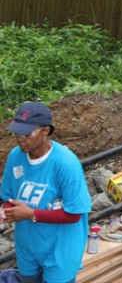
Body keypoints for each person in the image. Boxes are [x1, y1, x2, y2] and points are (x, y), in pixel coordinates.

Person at [0, 102, 92, 283]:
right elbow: (9, 197)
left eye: (27, 134)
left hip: (60, 248)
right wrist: (5, 212)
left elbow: (74, 215)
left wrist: (32, 214)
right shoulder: (15, 156)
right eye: (17, 133)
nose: (20, 139)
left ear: (45, 131)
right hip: (28, 244)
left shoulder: (65, 163)